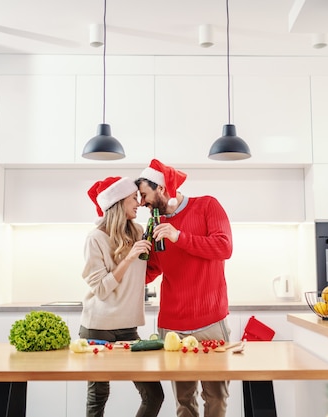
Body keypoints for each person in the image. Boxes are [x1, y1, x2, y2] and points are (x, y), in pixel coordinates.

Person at [136, 159, 233, 417]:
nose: (142, 202)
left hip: (211, 320)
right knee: (184, 402)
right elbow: (151, 272)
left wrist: (179, 236)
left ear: (162, 189)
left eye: (145, 195)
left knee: (216, 397)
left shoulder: (207, 206)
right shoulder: (155, 226)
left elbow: (224, 247)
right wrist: (130, 258)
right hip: (173, 327)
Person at [80, 176, 164, 417]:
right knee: (98, 397)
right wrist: (128, 258)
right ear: (118, 203)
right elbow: (102, 289)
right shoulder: (95, 238)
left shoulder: (138, 231)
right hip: (98, 329)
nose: (139, 203)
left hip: (128, 328)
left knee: (154, 395)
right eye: (132, 199)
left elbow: (147, 271)